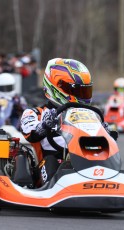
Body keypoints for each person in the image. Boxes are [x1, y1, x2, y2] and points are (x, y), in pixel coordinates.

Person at [20, 58, 114, 187]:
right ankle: (56, 188)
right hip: (50, 165)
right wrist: (45, 125)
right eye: (77, 91)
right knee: (52, 162)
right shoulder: (35, 113)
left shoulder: (90, 115)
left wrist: (105, 133)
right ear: (56, 87)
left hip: (88, 163)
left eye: (85, 91)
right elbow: (30, 134)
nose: (82, 96)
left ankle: (107, 179)